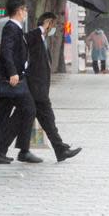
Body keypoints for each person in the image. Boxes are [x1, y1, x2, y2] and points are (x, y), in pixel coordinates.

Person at [0, 0, 42, 164]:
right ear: (19, 10)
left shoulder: (16, 29)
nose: (26, 13)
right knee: (29, 108)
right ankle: (19, 150)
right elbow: (6, 52)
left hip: (12, 79)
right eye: (25, 9)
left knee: (2, 116)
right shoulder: (10, 28)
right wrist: (12, 73)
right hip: (11, 80)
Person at [25, 12, 82, 162]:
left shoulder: (44, 40)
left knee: (47, 121)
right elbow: (26, 38)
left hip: (40, 90)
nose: (55, 28)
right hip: (36, 90)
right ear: (48, 23)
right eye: (54, 24)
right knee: (39, 120)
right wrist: (41, 28)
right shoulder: (36, 38)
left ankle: (60, 149)